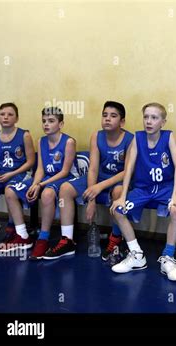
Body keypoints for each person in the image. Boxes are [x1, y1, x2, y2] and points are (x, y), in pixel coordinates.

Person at [44, 101, 133, 260]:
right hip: (98, 178)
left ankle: (116, 239)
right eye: (104, 115)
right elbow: (93, 169)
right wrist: (91, 199)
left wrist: (99, 187)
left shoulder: (130, 139)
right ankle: (67, 240)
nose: (107, 119)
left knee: (119, 192)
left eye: (113, 116)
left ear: (122, 121)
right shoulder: (96, 136)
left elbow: (127, 172)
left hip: (118, 180)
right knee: (65, 188)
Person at [109, 102, 176, 281]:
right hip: (144, 189)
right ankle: (136, 255)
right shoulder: (138, 138)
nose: (149, 121)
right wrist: (122, 196)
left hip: (166, 188)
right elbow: (129, 169)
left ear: (163, 122)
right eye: (146, 117)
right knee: (117, 210)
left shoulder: (169, 137)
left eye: (154, 118)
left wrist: (175, 195)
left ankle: (168, 257)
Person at [2, 107, 78, 258]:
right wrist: (35, 184)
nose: (46, 124)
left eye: (51, 121)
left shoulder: (69, 141)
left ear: (61, 124)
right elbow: (40, 170)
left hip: (64, 178)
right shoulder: (41, 141)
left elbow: (64, 171)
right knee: (10, 190)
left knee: (47, 194)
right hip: (45, 178)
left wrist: (41, 185)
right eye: (44, 121)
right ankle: (23, 236)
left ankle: (43, 239)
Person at [0, 103, 35, 241]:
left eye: (10, 114)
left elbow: (30, 161)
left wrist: (11, 174)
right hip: (1, 174)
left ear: (17, 118)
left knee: (11, 191)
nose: (6, 117)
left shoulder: (24, 135)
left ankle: (19, 232)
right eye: (2, 114)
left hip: (21, 173)